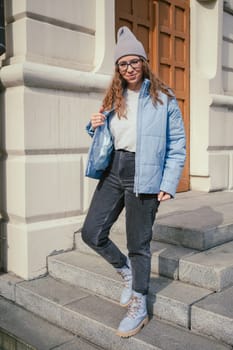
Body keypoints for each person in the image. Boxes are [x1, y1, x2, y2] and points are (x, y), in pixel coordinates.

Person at [82, 26, 186, 338]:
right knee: (91, 232)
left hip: (146, 172)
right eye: (123, 64)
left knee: (138, 244)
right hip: (114, 169)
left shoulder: (164, 98)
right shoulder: (114, 95)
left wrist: (168, 181)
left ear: (144, 62)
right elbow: (105, 134)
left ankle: (139, 302)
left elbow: (177, 144)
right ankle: (126, 272)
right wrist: (93, 124)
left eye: (134, 62)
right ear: (118, 68)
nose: (129, 68)